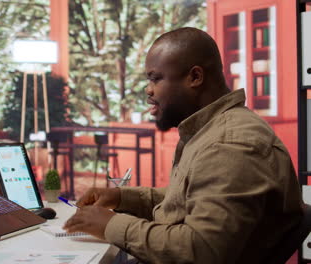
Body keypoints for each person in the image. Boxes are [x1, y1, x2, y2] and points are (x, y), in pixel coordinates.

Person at [63, 27, 304, 263]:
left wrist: (110, 224)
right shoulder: (212, 130)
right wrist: (121, 197)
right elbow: (189, 200)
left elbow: (202, 251)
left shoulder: (229, 144)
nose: (148, 90)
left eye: (156, 78)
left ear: (195, 77)